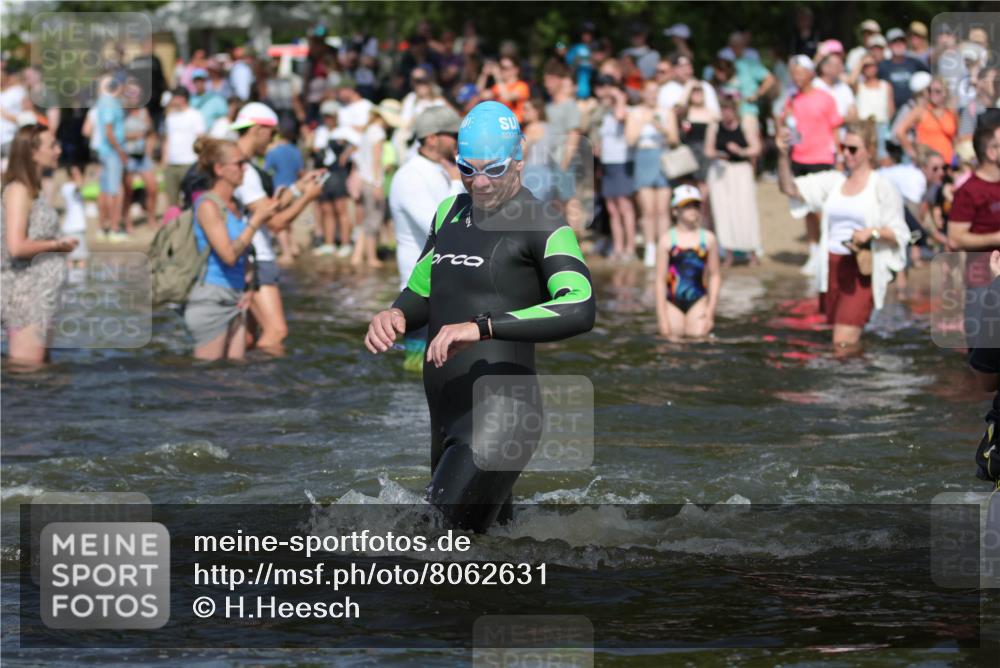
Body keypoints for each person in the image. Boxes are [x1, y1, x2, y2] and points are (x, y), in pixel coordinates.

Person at [364, 100, 595, 533]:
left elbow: (580, 305)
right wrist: (393, 314)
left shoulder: (543, 224)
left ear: (519, 160)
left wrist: (483, 327)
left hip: (504, 418)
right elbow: (421, 291)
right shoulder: (449, 212)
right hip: (446, 417)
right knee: (482, 551)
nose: (480, 182)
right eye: (467, 169)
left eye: (494, 169)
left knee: (428, 542)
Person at [777, 119, 909, 356]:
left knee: (842, 342)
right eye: (843, 147)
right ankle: (861, 368)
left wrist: (873, 232)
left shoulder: (882, 186)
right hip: (831, 267)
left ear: (869, 150)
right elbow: (790, 189)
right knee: (840, 337)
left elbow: (900, 233)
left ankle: (858, 376)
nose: (846, 153)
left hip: (860, 268)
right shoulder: (835, 181)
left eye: (853, 149)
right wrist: (781, 155)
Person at [232, 102, 323, 353]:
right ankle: (267, 379)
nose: (273, 141)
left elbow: (265, 207)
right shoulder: (245, 170)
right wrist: (307, 198)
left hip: (244, 254)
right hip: (256, 257)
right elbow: (275, 223)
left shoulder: (236, 165)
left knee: (248, 337)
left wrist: (297, 189)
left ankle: (241, 375)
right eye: (272, 134)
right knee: (276, 331)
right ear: (258, 129)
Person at [185, 137, 278, 361]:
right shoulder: (208, 206)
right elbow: (228, 255)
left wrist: (248, 287)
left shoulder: (235, 205)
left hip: (236, 296)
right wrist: (255, 221)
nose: (245, 168)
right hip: (211, 299)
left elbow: (245, 251)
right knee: (208, 376)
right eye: (239, 163)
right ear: (219, 169)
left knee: (235, 373)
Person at [1, 125, 78, 366]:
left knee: (41, 369)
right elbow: (16, 246)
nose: (58, 150)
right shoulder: (18, 190)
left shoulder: (34, 189)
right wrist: (57, 245)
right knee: (26, 370)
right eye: (52, 145)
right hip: (25, 296)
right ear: (33, 153)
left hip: (41, 295)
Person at [781, 56, 843, 276]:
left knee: (822, 209)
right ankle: (813, 252)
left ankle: (826, 251)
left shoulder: (825, 98)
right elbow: (785, 125)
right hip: (799, 158)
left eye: (800, 73)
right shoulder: (792, 99)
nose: (796, 77)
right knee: (806, 208)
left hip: (822, 158)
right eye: (793, 74)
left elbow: (836, 129)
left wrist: (839, 157)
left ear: (810, 73)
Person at [948, 119, 1000, 345]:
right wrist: (996, 238)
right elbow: (955, 238)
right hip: (983, 282)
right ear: (991, 152)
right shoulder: (969, 190)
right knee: (983, 352)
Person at [654, 184, 720, 340]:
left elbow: (715, 276)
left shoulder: (708, 239)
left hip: (698, 300)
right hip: (672, 302)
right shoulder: (666, 240)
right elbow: (660, 281)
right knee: (671, 337)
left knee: (699, 336)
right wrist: (662, 317)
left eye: (696, 205)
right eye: (687, 206)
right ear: (675, 210)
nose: (692, 210)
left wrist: (710, 312)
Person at [705, 96, 763, 264]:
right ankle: (728, 252)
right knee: (724, 212)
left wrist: (740, 151)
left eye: (729, 110)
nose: (726, 114)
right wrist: (719, 154)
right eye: (723, 110)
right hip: (721, 172)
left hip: (741, 171)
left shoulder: (745, 125)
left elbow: (756, 148)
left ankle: (751, 251)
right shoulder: (714, 127)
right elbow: (708, 150)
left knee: (745, 210)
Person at [626, 80, 677, 267]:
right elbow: (630, 140)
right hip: (643, 157)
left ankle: (664, 246)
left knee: (663, 209)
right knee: (648, 209)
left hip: (662, 157)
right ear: (642, 93)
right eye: (649, 91)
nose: (653, 95)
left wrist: (660, 127)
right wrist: (644, 122)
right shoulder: (635, 112)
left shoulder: (667, 112)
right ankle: (650, 247)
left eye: (656, 91)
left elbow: (674, 139)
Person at [351, 99, 401, 268]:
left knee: (367, 220)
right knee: (374, 221)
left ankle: (357, 256)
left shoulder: (368, 130)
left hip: (364, 179)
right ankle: (371, 257)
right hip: (373, 181)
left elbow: (360, 158)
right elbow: (376, 160)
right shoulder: (378, 133)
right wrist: (378, 184)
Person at [312, 99, 359, 256]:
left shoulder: (345, 131)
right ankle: (329, 242)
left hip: (339, 174)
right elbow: (315, 149)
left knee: (341, 210)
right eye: (325, 116)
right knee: (326, 210)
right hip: (324, 174)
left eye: (330, 116)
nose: (327, 119)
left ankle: (345, 243)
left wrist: (346, 152)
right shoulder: (321, 131)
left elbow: (358, 143)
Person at [596, 77, 635, 261]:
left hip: (622, 162)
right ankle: (618, 247)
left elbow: (621, 116)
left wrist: (619, 98)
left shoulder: (627, 111)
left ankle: (630, 248)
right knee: (612, 208)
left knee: (625, 206)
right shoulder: (607, 115)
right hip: (608, 164)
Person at [93, 75, 128, 242]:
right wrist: (121, 151)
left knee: (105, 190)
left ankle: (102, 228)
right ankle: (114, 228)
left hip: (106, 151)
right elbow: (109, 131)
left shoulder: (103, 101)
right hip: (112, 152)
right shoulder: (109, 103)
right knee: (116, 191)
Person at [264, 125, 306, 262]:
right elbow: (301, 171)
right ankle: (293, 247)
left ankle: (286, 252)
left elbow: (266, 171)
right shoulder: (295, 150)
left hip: (279, 189)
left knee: (279, 220)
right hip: (294, 188)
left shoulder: (273, 152)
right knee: (288, 219)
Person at [895, 76, 958, 165]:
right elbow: (899, 131)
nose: (933, 94)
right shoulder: (921, 110)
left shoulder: (951, 112)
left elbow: (955, 138)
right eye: (930, 91)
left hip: (948, 162)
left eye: (937, 91)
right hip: (927, 163)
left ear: (945, 93)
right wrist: (913, 154)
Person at [161, 86, 206, 207]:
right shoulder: (170, 117)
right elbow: (167, 140)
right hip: (171, 164)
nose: (172, 101)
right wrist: (164, 161)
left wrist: (200, 160)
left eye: (173, 98)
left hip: (189, 163)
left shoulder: (195, 115)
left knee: (191, 199)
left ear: (182, 98)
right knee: (171, 202)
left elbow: (201, 139)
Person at [121, 82, 157, 231]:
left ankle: (151, 219)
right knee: (128, 190)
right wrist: (134, 135)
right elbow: (117, 135)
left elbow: (150, 133)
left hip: (143, 156)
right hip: (127, 156)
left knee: (152, 188)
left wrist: (149, 150)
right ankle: (127, 221)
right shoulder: (122, 114)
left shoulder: (143, 112)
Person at [853, 55, 895, 161]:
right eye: (866, 66)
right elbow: (851, 81)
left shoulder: (885, 85)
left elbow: (891, 109)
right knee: (864, 156)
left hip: (881, 126)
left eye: (872, 65)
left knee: (882, 155)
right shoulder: (859, 86)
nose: (869, 68)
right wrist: (860, 63)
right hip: (863, 127)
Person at [878, 28, 930, 112]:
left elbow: (929, 77)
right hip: (891, 111)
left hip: (913, 109)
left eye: (902, 41)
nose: (899, 44)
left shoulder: (914, 62)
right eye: (895, 41)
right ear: (888, 45)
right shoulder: (882, 66)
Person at [479, 56, 530, 123]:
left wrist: (498, 76)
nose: (501, 70)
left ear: (515, 70)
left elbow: (506, 97)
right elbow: (480, 94)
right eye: (500, 67)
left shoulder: (522, 86)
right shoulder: (499, 86)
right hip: (501, 124)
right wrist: (484, 75)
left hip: (517, 125)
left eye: (505, 68)